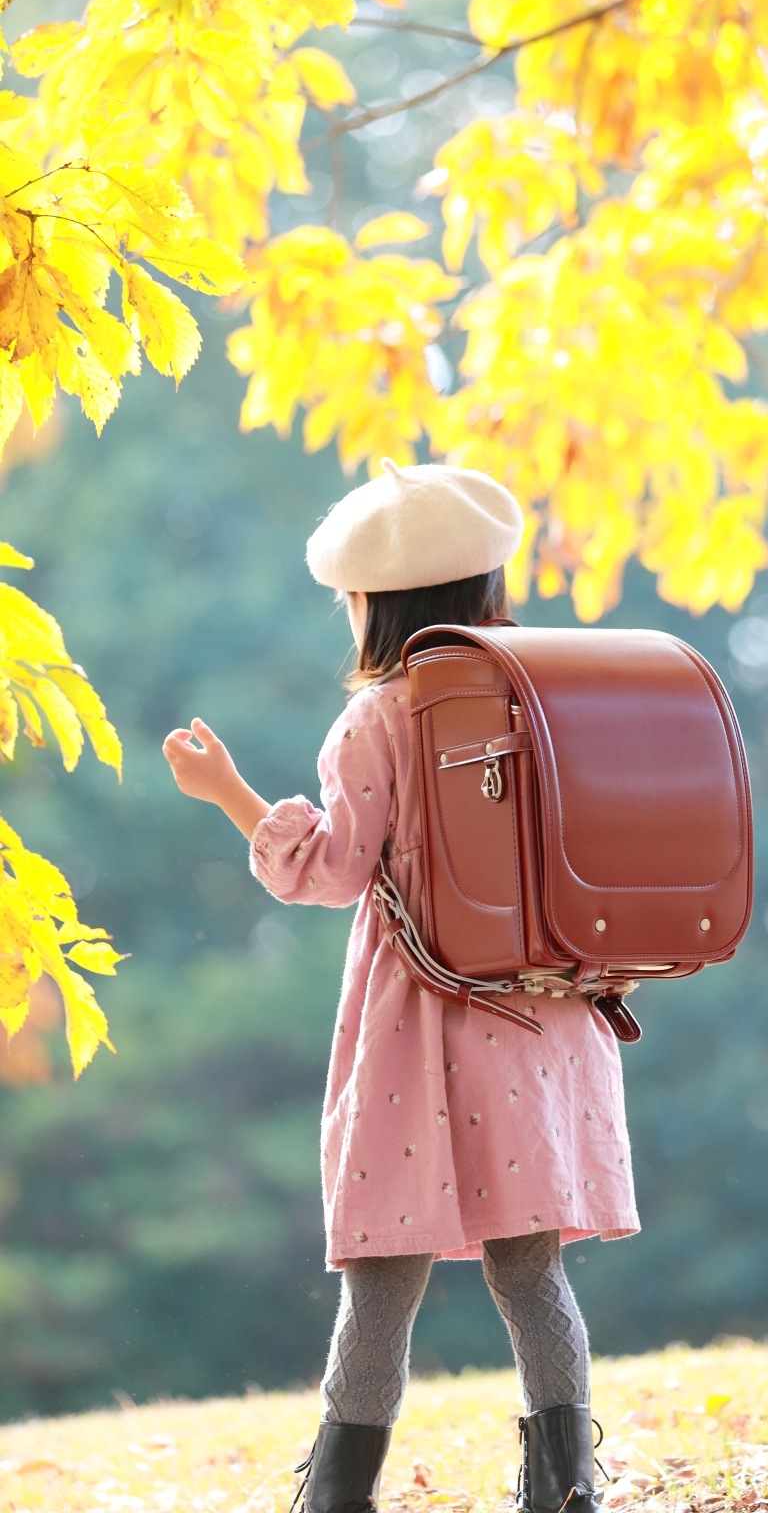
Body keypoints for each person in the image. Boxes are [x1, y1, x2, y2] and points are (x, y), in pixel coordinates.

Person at [162, 459, 639, 1513]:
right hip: (543, 1011)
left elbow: (332, 870)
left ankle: (337, 1494)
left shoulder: (381, 717)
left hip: (422, 1025)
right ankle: (565, 1485)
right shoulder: (548, 695)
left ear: (372, 604)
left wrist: (228, 791)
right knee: (530, 1270)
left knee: (382, 1273)